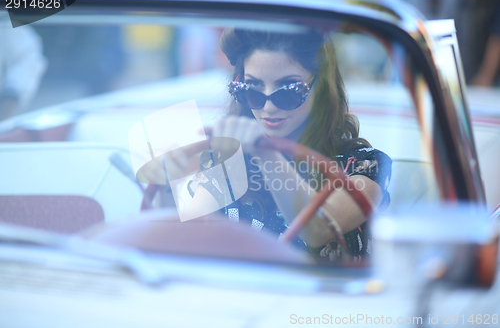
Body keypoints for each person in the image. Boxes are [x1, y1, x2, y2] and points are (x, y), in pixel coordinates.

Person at [156, 29, 392, 263]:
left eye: (288, 90)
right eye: (253, 89)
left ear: (321, 88)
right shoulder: (228, 161)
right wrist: (166, 186)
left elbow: (317, 229)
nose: (268, 107)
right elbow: (190, 243)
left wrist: (264, 151)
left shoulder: (365, 166)